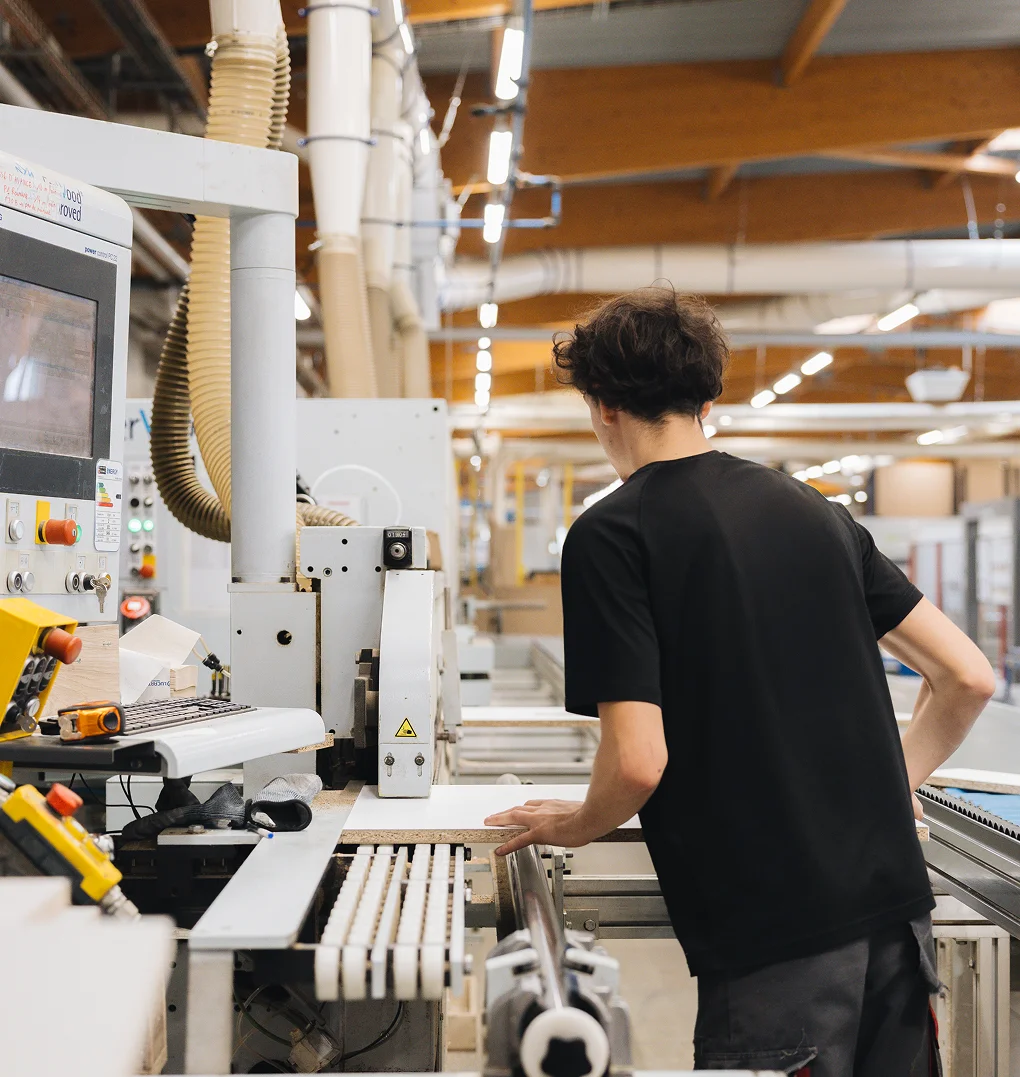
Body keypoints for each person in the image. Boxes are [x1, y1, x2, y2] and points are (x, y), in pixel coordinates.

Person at [483, 287, 995, 1076]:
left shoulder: (611, 535)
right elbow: (966, 676)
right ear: (708, 400)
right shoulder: (818, 513)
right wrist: (885, 789)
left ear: (603, 404)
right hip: (897, 918)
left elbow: (637, 761)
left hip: (776, 941)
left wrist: (580, 822)